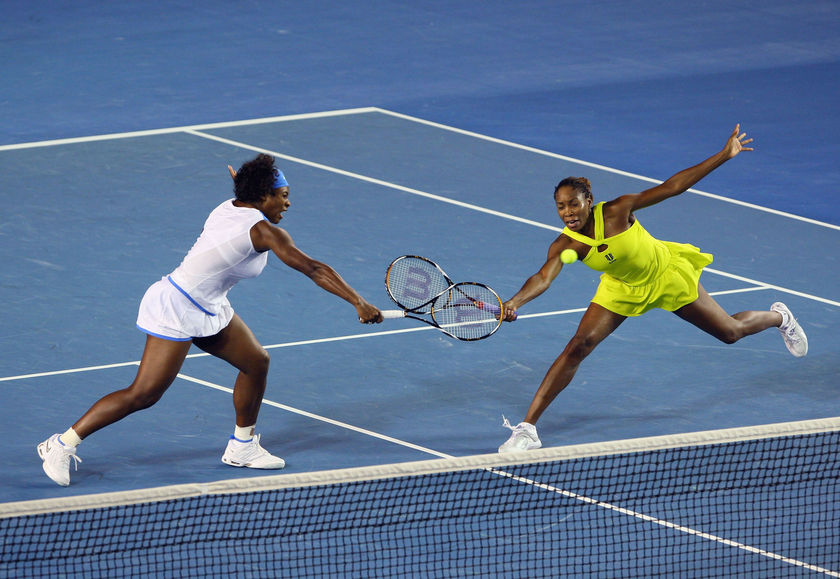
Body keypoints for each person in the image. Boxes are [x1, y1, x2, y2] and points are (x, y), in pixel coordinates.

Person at [38, 153, 384, 485]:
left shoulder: (232, 204)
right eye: (283, 196)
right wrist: (358, 301)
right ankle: (62, 443)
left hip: (210, 306)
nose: (288, 204)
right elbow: (313, 268)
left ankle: (242, 446)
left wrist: (242, 182)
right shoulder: (265, 233)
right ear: (262, 196)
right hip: (177, 306)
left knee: (256, 362)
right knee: (143, 394)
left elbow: (244, 192)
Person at [498, 125, 808, 453]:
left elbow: (672, 187)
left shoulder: (618, 211)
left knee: (730, 332)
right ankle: (528, 429)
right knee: (578, 346)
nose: (568, 213)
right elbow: (543, 277)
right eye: (561, 207)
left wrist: (723, 155)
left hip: (665, 276)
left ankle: (779, 318)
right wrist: (514, 301)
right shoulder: (567, 244)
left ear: (589, 200)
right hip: (621, 289)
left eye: (573, 204)